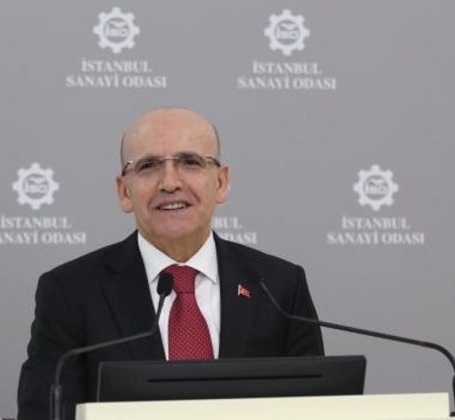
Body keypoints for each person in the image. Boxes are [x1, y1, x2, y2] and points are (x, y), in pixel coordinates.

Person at [17, 107, 324, 420]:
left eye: (190, 162)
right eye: (148, 166)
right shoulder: (70, 292)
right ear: (124, 191)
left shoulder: (280, 287)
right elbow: (44, 413)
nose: (169, 183)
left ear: (221, 182)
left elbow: (315, 410)